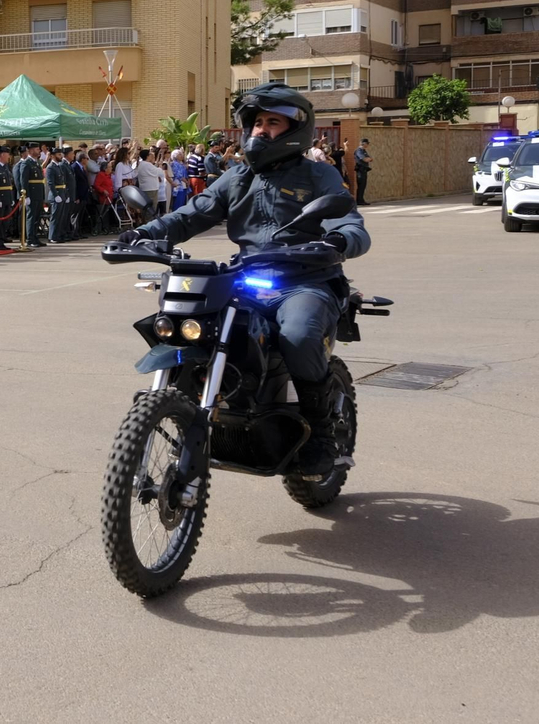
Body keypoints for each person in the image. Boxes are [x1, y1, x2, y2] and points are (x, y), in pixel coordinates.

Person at [114, 83, 371, 476]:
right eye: (257, 123)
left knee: (299, 334)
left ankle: (320, 433)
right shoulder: (236, 177)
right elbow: (189, 215)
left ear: (294, 129)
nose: (261, 130)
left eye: (272, 122)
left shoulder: (318, 175)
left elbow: (350, 223)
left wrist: (336, 240)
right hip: (246, 276)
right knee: (195, 322)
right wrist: (142, 234)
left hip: (304, 280)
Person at [17, 143, 47, 249]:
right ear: (30, 150)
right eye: (36, 149)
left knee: (37, 217)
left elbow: (40, 181)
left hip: (38, 194)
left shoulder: (36, 163)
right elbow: (23, 181)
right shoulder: (26, 163)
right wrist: (26, 195)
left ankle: (35, 237)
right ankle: (30, 239)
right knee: (31, 217)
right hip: (32, 194)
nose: (39, 151)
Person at [354, 138, 373, 205]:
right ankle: (359, 200)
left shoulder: (363, 151)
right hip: (360, 170)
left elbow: (370, 158)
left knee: (363, 185)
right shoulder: (359, 151)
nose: (368, 145)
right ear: (363, 143)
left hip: (364, 170)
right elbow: (364, 159)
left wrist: (369, 159)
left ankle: (361, 199)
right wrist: (368, 159)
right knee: (361, 185)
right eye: (367, 143)